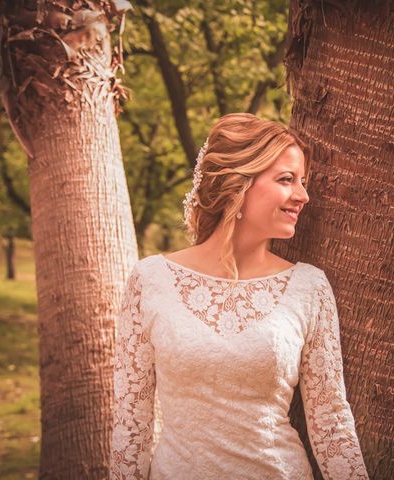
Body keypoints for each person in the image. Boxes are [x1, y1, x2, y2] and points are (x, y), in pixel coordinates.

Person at [110, 113, 368, 479]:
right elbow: (129, 428)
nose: (303, 195)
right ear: (237, 185)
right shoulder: (150, 280)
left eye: (303, 181)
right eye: (286, 180)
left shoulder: (309, 288)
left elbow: (332, 425)